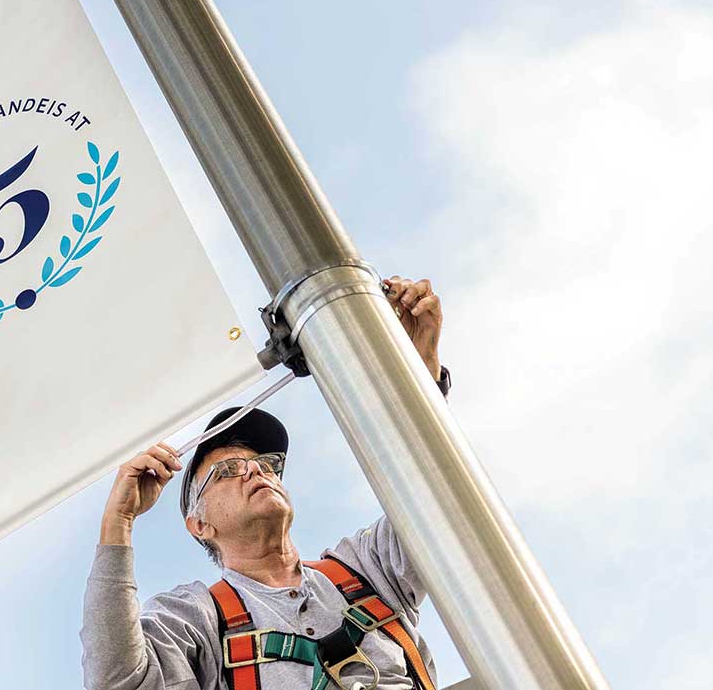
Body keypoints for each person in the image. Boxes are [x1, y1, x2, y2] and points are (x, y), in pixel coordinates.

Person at [81, 276, 449, 690]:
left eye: (265, 463)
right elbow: (120, 682)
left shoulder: (366, 569)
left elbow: (438, 499)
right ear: (199, 525)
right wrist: (119, 521)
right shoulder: (197, 617)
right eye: (227, 471)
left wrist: (422, 372)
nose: (255, 470)